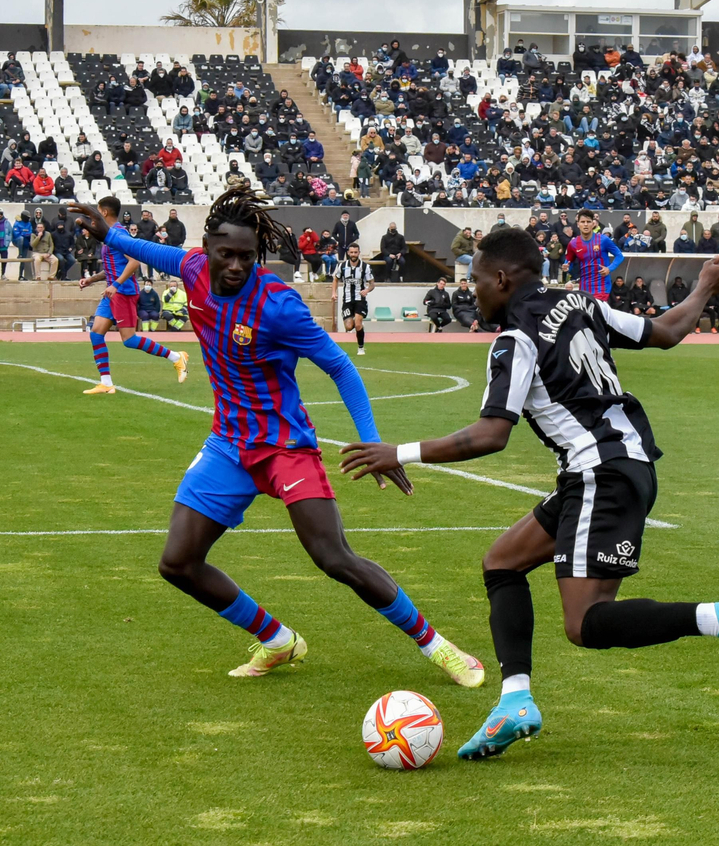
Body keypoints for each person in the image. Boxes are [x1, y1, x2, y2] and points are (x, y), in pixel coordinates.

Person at [337, 230, 719, 761]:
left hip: (602, 473)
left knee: (586, 624)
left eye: (475, 280)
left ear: (501, 279)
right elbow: (664, 331)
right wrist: (705, 285)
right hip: (607, 468)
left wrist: (398, 452)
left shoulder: (514, 338)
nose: (472, 291)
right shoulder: (580, 302)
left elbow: (490, 434)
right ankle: (515, 701)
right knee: (501, 563)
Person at [67, 192, 486, 685]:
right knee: (177, 563)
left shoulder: (278, 305)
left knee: (334, 558)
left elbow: (341, 368)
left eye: (248, 255)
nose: (237, 265)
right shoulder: (195, 268)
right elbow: (154, 253)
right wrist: (110, 235)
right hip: (228, 444)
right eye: (227, 254)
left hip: (285, 447)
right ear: (208, 248)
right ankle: (277, 639)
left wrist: (374, 442)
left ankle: (438, 647)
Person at [76, 197, 191, 395]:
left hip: (123, 292)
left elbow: (134, 262)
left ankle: (176, 357)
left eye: (97, 211)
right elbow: (114, 267)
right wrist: (91, 280)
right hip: (112, 292)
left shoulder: (119, 235)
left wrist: (116, 285)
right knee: (96, 332)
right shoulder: (109, 236)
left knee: (129, 340)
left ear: (103, 212)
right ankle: (106, 383)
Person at [565, 209, 624, 301]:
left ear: (593, 224)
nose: (585, 224)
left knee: (596, 311)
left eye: (588, 222)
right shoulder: (573, 244)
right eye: (583, 222)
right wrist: (567, 267)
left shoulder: (603, 240)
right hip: (584, 287)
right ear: (578, 224)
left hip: (602, 287)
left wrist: (609, 268)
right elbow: (569, 262)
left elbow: (619, 256)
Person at [332, 242, 375, 355]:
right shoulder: (342, 266)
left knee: (358, 324)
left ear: (359, 253)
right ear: (348, 253)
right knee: (349, 326)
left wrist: (367, 290)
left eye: (355, 252)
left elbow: (372, 284)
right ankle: (357, 324)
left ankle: (361, 347)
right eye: (351, 252)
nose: (353, 254)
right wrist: (334, 293)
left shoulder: (365, 267)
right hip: (347, 300)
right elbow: (335, 279)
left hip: (360, 299)